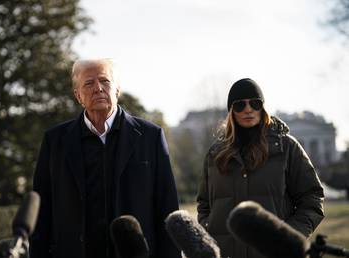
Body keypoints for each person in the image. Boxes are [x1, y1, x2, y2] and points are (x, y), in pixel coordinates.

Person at [30, 58, 180, 258]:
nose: (98, 88)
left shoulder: (150, 136)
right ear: (78, 95)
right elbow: (41, 211)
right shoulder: (55, 141)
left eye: (105, 81)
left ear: (117, 89)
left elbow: (167, 206)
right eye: (89, 83)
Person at [197, 78, 325, 258]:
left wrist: (289, 238)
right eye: (240, 105)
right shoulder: (214, 154)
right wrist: (209, 230)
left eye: (254, 103)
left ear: (263, 107)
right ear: (231, 111)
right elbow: (204, 205)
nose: (248, 109)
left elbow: (312, 198)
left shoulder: (287, 148)